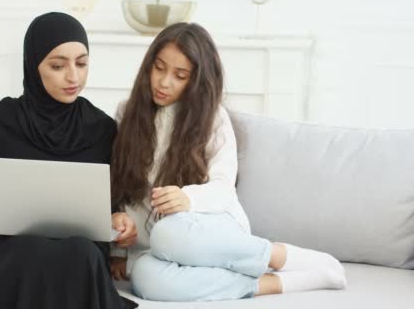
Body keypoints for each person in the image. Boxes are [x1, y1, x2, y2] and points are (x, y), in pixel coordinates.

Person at [109, 22, 347, 302]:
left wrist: (188, 199)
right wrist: (119, 251)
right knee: (145, 278)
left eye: (180, 75)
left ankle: (277, 255)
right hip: (157, 247)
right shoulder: (127, 113)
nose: (164, 82)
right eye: (159, 68)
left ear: (197, 81)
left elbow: (223, 187)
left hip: (210, 227)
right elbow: (125, 187)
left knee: (168, 234)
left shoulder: (212, 118)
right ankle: (269, 283)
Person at [0, 12, 138, 309]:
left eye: (82, 63)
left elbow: (107, 207)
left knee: (80, 253)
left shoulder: (102, 128)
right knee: (33, 250)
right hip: (6, 245)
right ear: (34, 65)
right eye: (58, 65)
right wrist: (17, 218)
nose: (74, 77)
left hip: (76, 249)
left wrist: (119, 221)